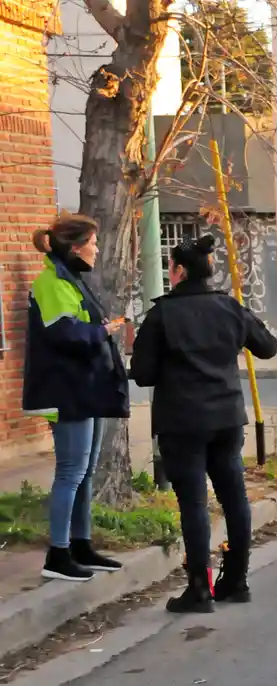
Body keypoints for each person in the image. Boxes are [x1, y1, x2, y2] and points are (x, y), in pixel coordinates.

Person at [129, 235, 277, 613]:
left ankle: (199, 588)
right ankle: (237, 580)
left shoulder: (162, 315)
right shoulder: (229, 307)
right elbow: (268, 347)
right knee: (234, 498)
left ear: (178, 271)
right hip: (227, 417)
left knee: (194, 503)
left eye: (170, 267)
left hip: (182, 421)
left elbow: (143, 373)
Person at [23, 214, 131, 582]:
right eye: (93, 242)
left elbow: (81, 328)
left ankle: (80, 544)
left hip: (86, 388)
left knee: (84, 473)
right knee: (70, 472)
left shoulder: (73, 280)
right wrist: (103, 331)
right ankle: (57, 554)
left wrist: (101, 329)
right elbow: (66, 334)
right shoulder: (50, 282)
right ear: (74, 247)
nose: (97, 249)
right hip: (66, 391)